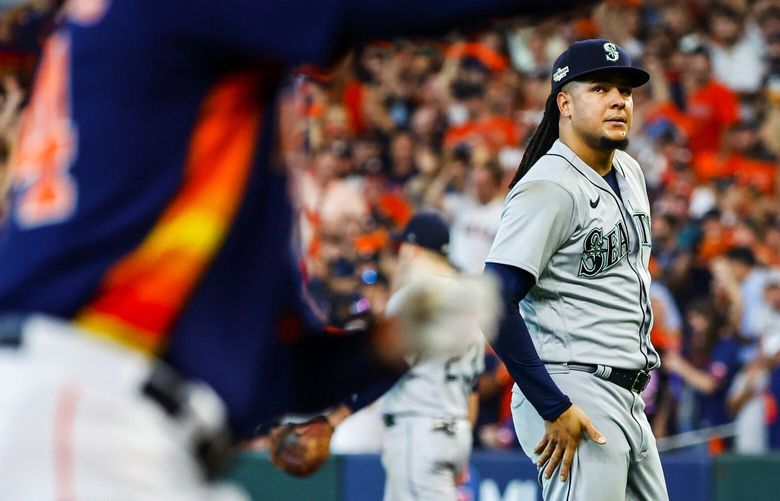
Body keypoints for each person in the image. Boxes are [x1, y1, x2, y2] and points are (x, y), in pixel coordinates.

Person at [0, 0, 597, 498]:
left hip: (112, 414)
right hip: (84, 407)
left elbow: (276, 377)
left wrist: (391, 342)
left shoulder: (208, 127)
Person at [484, 39, 669, 500]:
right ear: (564, 102)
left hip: (628, 394)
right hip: (575, 386)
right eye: (601, 88)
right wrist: (553, 405)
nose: (618, 101)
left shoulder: (628, 170)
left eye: (625, 91)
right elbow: (491, 301)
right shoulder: (550, 186)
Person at [380, 211, 484, 501]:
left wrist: (337, 417)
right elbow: (472, 388)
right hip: (453, 429)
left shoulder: (412, 299)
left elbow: (383, 368)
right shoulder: (467, 303)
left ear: (413, 250)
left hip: (418, 430)